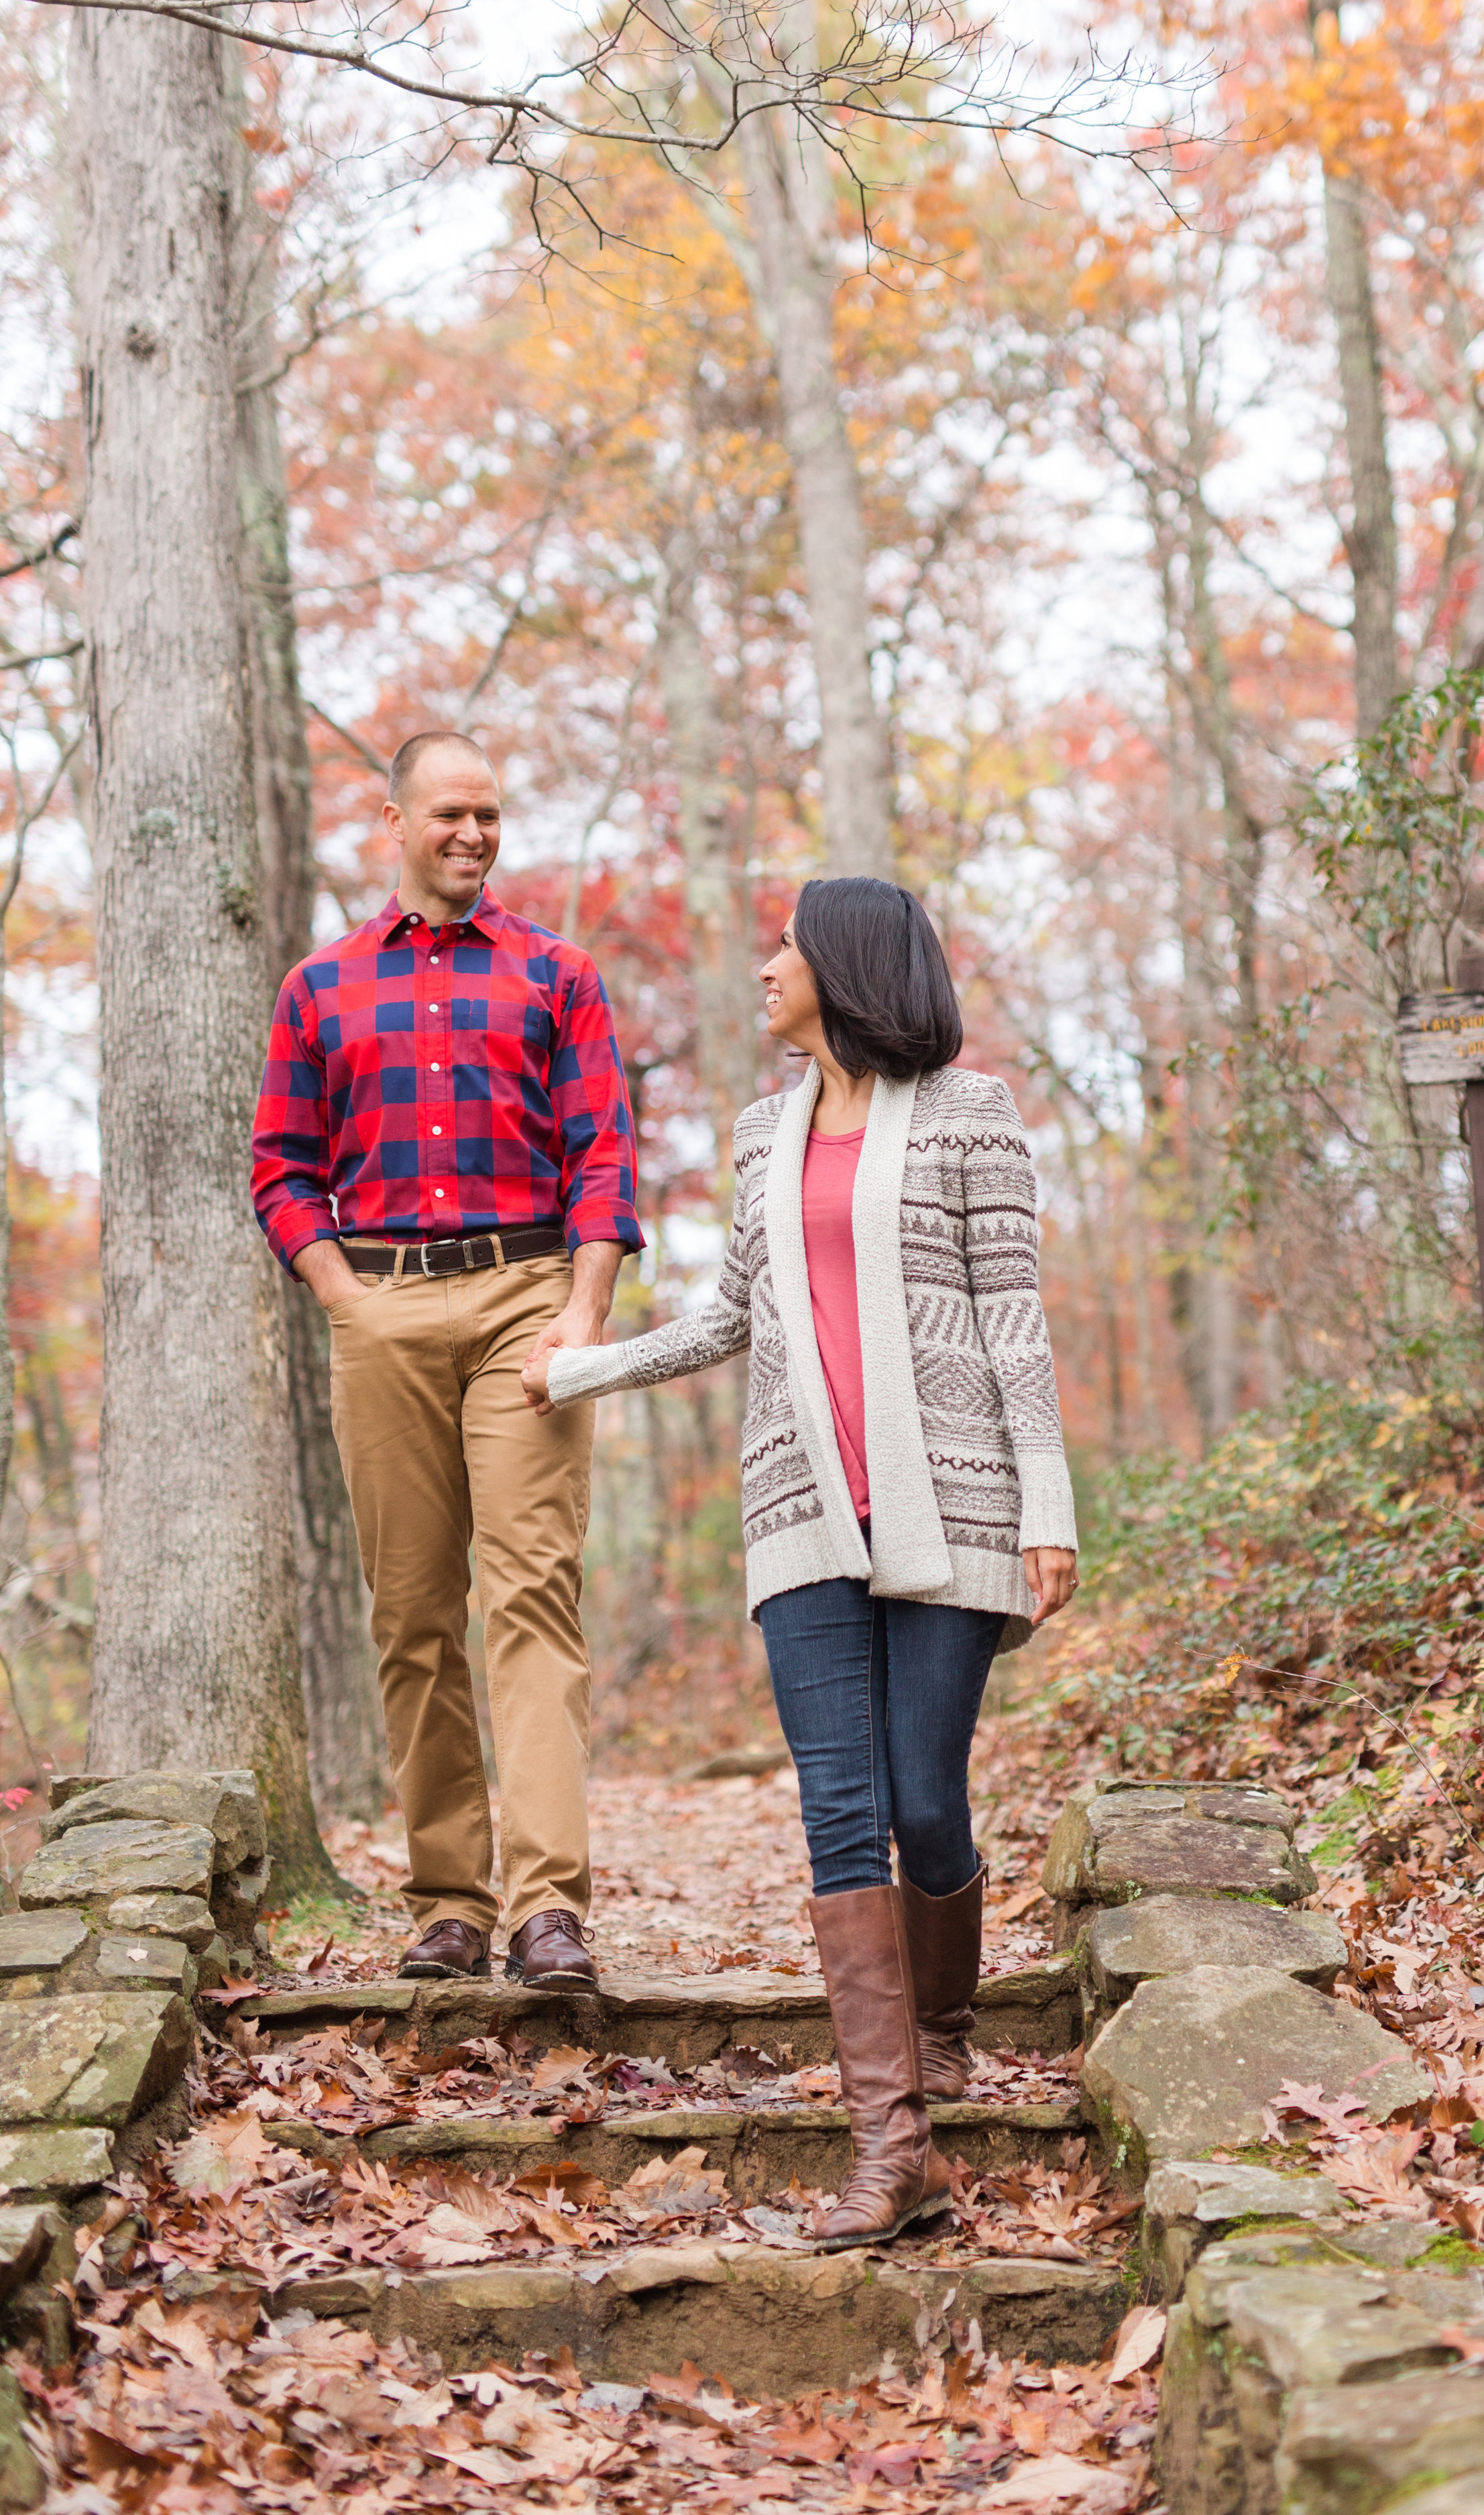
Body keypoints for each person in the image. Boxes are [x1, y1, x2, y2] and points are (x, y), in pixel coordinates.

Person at [524, 876, 1078, 2249]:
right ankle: (891, 2150)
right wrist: (587, 1371)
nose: (761, 964)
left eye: (781, 943)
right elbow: (729, 1316)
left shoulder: (970, 1112)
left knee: (925, 1803)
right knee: (839, 1810)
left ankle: (943, 2017)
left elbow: (1010, 1322)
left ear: (842, 964)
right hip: (799, 1509)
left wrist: (1047, 1507)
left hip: (953, 1500)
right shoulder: (763, 1130)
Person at [251, 730, 643, 1990]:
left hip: (532, 1299)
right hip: (384, 1307)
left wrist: (585, 1311)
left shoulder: (557, 975)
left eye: (490, 812)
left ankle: (548, 1913)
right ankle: (451, 1903)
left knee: (529, 1595)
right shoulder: (320, 986)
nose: (472, 833)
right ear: (395, 819)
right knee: (413, 1613)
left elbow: (602, 1160)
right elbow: (280, 1169)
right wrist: (344, 1300)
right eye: (450, 814)